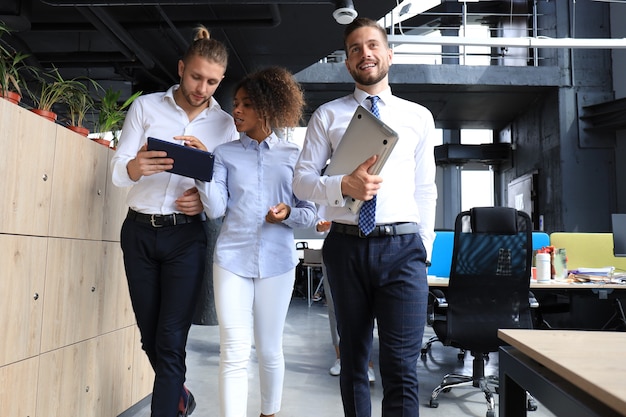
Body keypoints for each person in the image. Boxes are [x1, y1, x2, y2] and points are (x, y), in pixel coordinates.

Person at [293, 17, 438, 417]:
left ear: (389, 54)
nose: (365, 53)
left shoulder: (418, 116)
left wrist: (424, 245)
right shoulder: (327, 115)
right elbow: (302, 182)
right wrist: (342, 185)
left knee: (400, 367)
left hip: (403, 249)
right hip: (345, 247)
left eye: (372, 45)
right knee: (354, 361)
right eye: (355, 48)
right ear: (347, 62)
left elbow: (426, 188)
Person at [111, 25, 238, 417]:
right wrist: (134, 166)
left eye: (213, 82)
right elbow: (116, 171)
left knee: (170, 340)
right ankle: (180, 396)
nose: (203, 88)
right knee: (149, 335)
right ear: (182, 68)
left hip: (186, 240)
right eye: (197, 76)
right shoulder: (146, 108)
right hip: (138, 233)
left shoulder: (226, 126)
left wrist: (205, 179)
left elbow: (221, 201)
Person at [195, 67, 317, 417]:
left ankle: (268, 413)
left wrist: (286, 215)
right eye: (235, 103)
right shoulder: (224, 154)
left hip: (278, 263)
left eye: (246, 104)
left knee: (268, 349)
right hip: (231, 259)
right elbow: (215, 209)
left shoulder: (294, 156)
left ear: (267, 108)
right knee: (233, 349)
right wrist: (203, 170)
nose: (236, 110)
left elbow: (310, 214)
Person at [316, 220, 375, 383]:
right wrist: (320, 226)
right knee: (335, 306)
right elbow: (317, 219)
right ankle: (340, 358)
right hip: (337, 243)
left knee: (367, 309)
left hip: (372, 243)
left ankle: (368, 364)